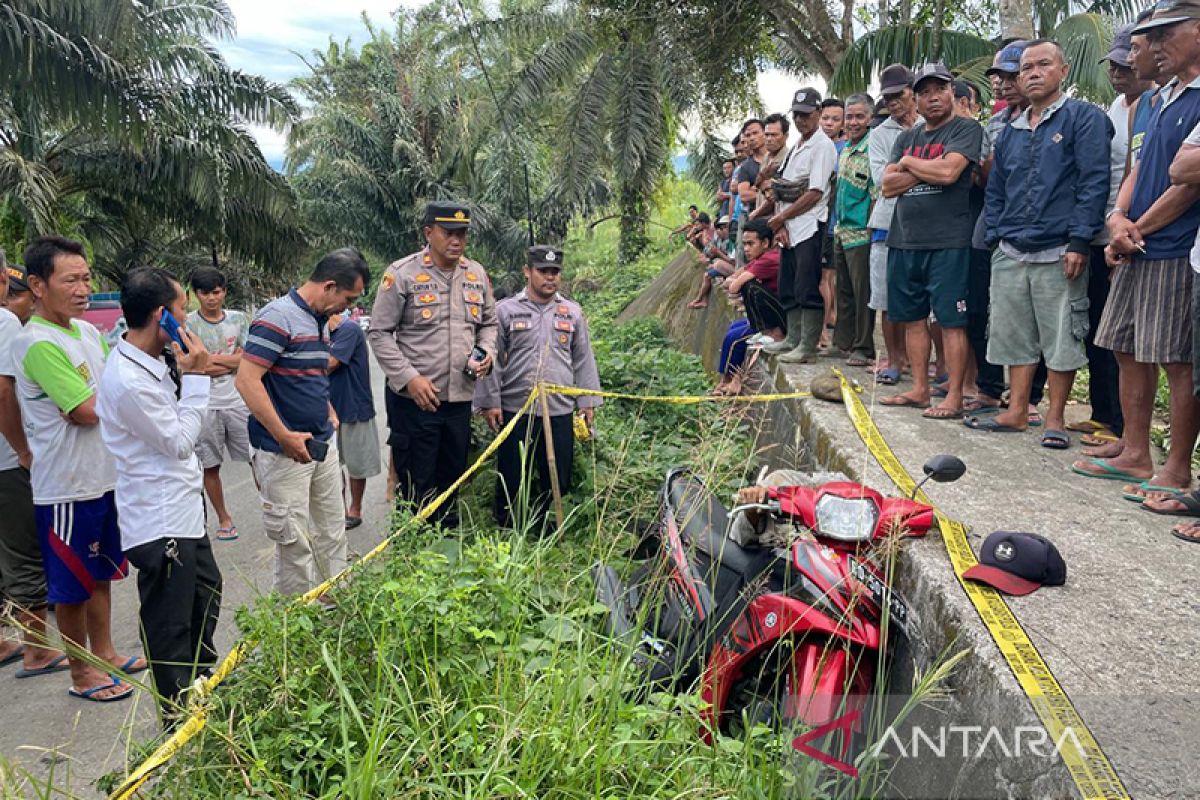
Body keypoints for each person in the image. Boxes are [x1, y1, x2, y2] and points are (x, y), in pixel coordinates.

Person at [13, 236, 145, 702]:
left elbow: (108, 395)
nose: (83, 288)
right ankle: (81, 673)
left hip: (102, 477)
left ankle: (104, 653)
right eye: (71, 279)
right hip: (68, 487)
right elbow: (87, 409)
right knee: (71, 586)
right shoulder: (36, 343)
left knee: (101, 575)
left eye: (86, 278)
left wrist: (113, 403)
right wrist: (118, 405)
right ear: (37, 285)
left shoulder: (86, 332)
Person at [1079, 5, 1200, 499]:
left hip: (1172, 244)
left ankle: (1175, 468)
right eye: (1151, 37)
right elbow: (1136, 166)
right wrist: (1116, 221)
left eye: (1165, 34)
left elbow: (1188, 184)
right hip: (1136, 241)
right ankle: (1135, 450)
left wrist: (1138, 228)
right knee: (1126, 346)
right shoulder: (1156, 99)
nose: (1153, 45)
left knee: (1176, 359)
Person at [96, 267, 222, 721]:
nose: (187, 319)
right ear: (160, 316)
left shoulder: (155, 361)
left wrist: (189, 370)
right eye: (182, 310)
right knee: (170, 625)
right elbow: (178, 440)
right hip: (159, 518)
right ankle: (177, 719)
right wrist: (198, 378)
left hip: (184, 510)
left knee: (206, 595)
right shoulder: (127, 381)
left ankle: (204, 693)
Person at [975, 41, 1111, 448]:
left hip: (1060, 249)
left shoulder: (1084, 118)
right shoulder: (1011, 131)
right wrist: (997, 234)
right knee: (1013, 333)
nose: (1032, 73)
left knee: (1061, 336)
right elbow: (996, 189)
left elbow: (1093, 182)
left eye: (1043, 64)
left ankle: (1054, 417)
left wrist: (1079, 240)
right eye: (1026, 68)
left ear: (1063, 70)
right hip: (1012, 248)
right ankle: (1017, 410)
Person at [237, 248, 369, 596]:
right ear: (329, 286)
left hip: (319, 444)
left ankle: (334, 604)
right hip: (283, 452)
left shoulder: (319, 320)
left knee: (331, 531)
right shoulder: (276, 317)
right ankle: (295, 623)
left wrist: (325, 407)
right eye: (348, 298)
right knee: (293, 542)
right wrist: (283, 435)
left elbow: (306, 372)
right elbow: (247, 380)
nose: (349, 306)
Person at [368, 202, 498, 527]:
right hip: (417, 403)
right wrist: (409, 378)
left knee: (452, 477)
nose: (457, 240)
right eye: (448, 233)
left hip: (459, 400)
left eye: (462, 234)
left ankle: (444, 548)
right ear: (429, 233)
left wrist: (486, 352)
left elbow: (490, 323)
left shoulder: (476, 274)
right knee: (417, 484)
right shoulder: (402, 274)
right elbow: (380, 333)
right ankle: (414, 551)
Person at [878, 64, 982, 420]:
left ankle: (953, 395)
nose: (932, 97)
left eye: (939, 89)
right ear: (916, 99)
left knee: (952, 321)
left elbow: (951, 172)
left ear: (952, 92)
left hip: (949, 240)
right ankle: (920, 389)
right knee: (912, 318)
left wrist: (909, 165)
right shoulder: (907, 138)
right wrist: (927, 165)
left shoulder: (966, 129)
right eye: (924, 92)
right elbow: (888, 186)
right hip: (904, 239)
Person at [474, 246, 601, 529]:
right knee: (512, 472)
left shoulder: (572, 312)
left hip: (559, 409)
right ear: (527, 272)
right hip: (515, 409)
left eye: (555, 272)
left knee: (557, 474)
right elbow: (491, 359)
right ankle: (508, 528)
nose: (550, 278)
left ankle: (550, 529)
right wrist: (490, 401)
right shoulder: (505, 311)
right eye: (543, 271)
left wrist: (587, 402)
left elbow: (583, 359)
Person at [0, 258, 65, 678]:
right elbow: (3, 392)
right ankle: (36, 650)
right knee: (25, 553)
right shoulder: (5, 323)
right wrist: (22, 449)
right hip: (6, 462)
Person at [766, 88, 837, 364]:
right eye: (797, 115)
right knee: (789, 285)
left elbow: (815, 192)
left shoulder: (822, 146)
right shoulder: (797, 146)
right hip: (790, 228)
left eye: (807, 115)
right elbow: (783, 187)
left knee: (807, 286)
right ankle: (793, 338)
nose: (801, 120)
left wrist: (782, 218)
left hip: (809, 225)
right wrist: (781, 222)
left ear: (818, 113)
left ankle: (807, 345)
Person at [186, 268, 252, 542]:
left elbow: (249, 360)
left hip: (238, 399)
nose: (211, 298)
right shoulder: (188, 324)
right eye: (205, 293)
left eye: (216, 292)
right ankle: (224, 518)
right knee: (210, 465)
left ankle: (274, 508)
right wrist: (231, 360)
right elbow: (194, 367)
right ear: (195, 295)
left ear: (224, 291)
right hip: (205, 403)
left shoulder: (239, 319)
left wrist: (213, 362)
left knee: (256, 457)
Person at [866, 65, 922, 385]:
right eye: (887, 98)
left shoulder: (934, 123)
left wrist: (904, 170)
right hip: (887, 222)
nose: (893, 102)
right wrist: (932, 172)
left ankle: (925, 364)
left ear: (911, 92)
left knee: (924, 301)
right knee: (886, 299)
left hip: (928, 224)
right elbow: (882, 182)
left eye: (898, 95)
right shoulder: (880, 134)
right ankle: (895, 360)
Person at [830, 93, 876, 367]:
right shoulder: (846, 149)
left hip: (861, 232)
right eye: (850, 116)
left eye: (860, 116)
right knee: (843, 290)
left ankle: (863, 346)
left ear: (869, 118)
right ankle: (843, 342)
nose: (854, 121)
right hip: (841, 230)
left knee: (862, 294)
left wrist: (870, 229)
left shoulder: (872, 149)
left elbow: (875, 194)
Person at [326, 310, 382, 530]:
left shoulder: (348, 329)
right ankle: (337, 511)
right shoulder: (319, 333)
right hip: (327, 407)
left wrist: (302, 361)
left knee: (357, 464)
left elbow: (331, 362)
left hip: (354, 406)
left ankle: (355, 508)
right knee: (330, 465)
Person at [818, 98, 847, 351]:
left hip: (834, 222)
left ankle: (825, 324)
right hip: (822, 221)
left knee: (827, 277)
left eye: (835, 119)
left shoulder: (844, 148)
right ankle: (830, 318)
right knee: (829, 277)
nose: (829, 123)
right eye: (825, 118)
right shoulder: (814, 145)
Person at [687, 215, 736, 309]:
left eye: (721, 229)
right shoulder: (720, 239)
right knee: (707, 274)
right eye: (718, 229)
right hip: (721, 262)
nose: (718, 232)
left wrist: (717, 253)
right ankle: (702, 300)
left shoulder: (729, 241)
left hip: (729, 267)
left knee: (712, 269)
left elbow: (731, 261)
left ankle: (698, 299)